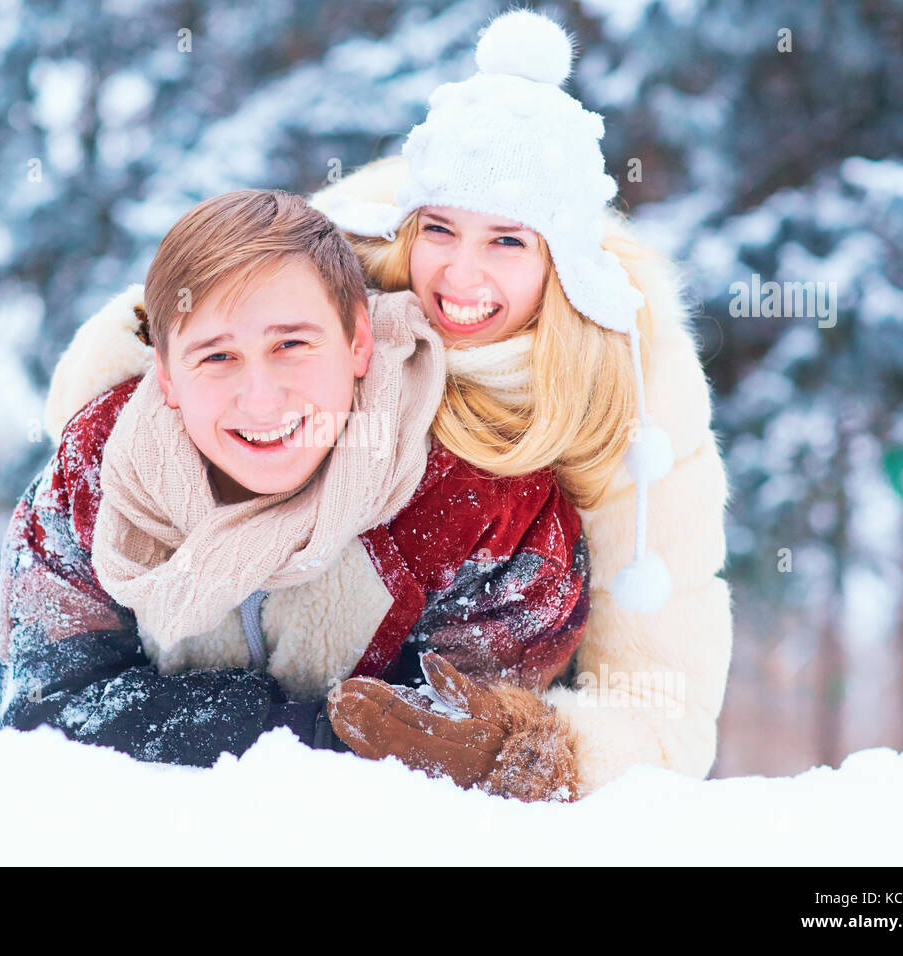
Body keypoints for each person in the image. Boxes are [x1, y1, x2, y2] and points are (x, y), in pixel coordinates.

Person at [0, 188, 591, 800]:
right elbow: (42, 716)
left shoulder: (480, 502)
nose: (262, 399)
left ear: (359, 341)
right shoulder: (95, 477)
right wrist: (308, 734)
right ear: (167, 377)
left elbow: (499, 753)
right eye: (218, 356)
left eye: (291, 345)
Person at [309, 9, 734, 798]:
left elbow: (663, 706)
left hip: (476, 717)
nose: (460, 279)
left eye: (507, 242)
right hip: (281, 684)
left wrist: (522, 750)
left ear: (562, 260)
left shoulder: (634, 382)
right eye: (440, 230)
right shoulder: (331, 279)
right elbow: (149, 357)